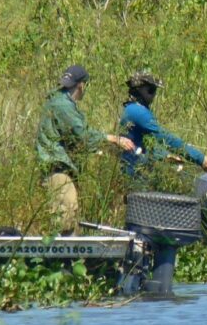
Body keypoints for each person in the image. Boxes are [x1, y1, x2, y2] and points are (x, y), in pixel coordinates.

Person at [36, 64, 135, 235]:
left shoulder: (59, 101)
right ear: (82, 85)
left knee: (70, 217)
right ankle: (61, 260)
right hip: (57, 168)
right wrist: (113, 139)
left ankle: (67, 259)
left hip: (62, 168)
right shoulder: (62, 105)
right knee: (65, 219)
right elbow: (82, 135)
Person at [119, 70, 207, 185]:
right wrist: (200, 158)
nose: (154, 94)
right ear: (139, 89)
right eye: (151, 90)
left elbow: (145, 142)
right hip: (135, 175)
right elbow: (165, 138)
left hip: (137, 169)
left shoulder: (132, 108)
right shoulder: (138, 112)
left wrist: (164, 156)